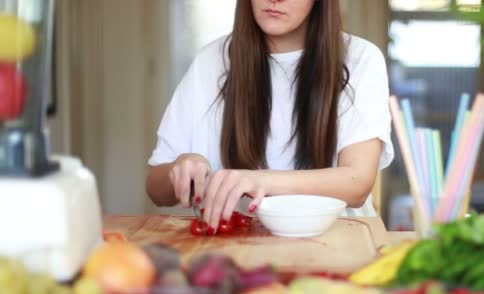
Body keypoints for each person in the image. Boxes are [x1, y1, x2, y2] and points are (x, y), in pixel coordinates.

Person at [146, 0, 394, 232]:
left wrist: (258, 181)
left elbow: (357, 182)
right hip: (235, 246)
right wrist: (183, 168)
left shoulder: (361, 57)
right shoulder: (209, 61)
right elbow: (156, 189)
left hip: (339, 240)